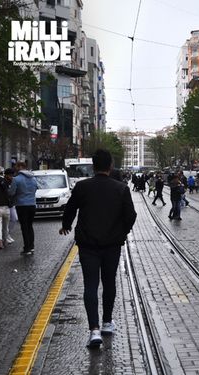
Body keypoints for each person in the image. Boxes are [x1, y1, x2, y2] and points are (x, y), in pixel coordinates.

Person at [59, 149, 136, 348]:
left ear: (93, 166)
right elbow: (131, 215)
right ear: (110, 166)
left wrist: (66, 225)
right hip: (112, 245)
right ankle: (107, 323)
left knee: (90, 285)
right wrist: (122, 232)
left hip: (88, 245)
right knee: (109, 282)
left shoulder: (83, 187)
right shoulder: (121, 189)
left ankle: (94, 330)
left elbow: (70, 208)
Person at [9, 162, 38, 255]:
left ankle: (27, 248)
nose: (15, 168)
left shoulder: (16, 179)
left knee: (24, 227)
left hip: (22, 205)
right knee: (30, 226)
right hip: (32, 204)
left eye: (16, 166)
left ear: (21, 167)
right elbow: (36, 188)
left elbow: (11, 192)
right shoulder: (33, 178)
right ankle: (32, 246)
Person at [0, 169, 14, 249]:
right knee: (5, 226)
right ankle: (5, 240)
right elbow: (11, 195)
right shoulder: (8, 184)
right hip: (6, 207)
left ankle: (0, 242)